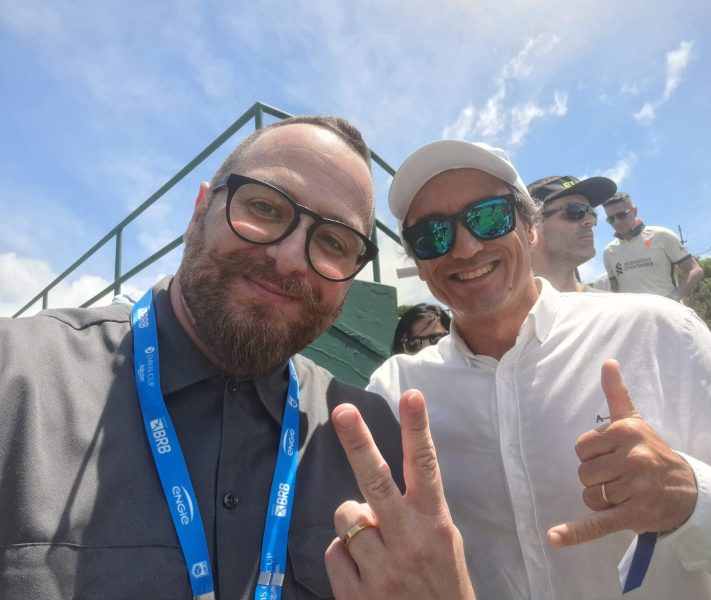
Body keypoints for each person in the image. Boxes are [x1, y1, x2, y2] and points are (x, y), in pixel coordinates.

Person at [0, 116, 473, 600]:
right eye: (265, 207)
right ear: (199, 210)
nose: (290, 257)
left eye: (334, 242)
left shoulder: (373, 441)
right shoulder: (15, 375)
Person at [368, 138, 711, 599]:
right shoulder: (397, 389)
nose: (465, 246)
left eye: (488, 216)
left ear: (529, 229)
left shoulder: (656, 330)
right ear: (415, 258)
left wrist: (690, 500)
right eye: (432, 235)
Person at [602, 192, 704, 299]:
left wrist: (673, 299)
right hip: (634, 315)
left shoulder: (662, 235)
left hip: (668, 313)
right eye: (611, 219)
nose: (617, 221)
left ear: (634, 212)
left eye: (621, 215)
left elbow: (695, 270)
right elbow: (615, 289)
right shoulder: (609, 251)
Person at [527, 175, 617, 292]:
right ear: (531, 227)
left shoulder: (621, 308)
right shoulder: (501, 308)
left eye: (591, 211)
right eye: (575, 210)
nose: (591, 220)